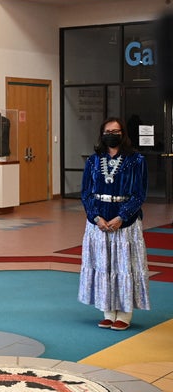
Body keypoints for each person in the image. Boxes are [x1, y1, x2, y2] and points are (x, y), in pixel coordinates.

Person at [79, 117, 150, 331]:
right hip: (99, 221)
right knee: (105, 266)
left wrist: (121, 217)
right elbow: (86, 192)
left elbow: (139, 194)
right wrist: (96, 217)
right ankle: (108, 312)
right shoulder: (93, 160)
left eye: (116, 131)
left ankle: (124, 313)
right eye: (108, 131)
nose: (112, 134)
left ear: (123, 134)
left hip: (125, 222)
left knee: (124, 266)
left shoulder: (136, 160)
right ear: (102, 134)